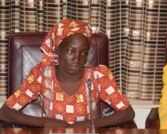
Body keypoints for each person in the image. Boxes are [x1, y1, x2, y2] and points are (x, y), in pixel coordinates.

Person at [0, 18, 135, 128]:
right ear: (57, 50)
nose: (77, 58)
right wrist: (44, 123)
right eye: (70, 51)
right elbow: (5, 112)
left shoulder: (98, 77)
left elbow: (127, 112)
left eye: (84, 53)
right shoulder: (41, 75)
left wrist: (89, 125)